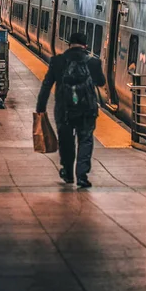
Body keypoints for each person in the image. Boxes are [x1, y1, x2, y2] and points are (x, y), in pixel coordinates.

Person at [36, 32, 106, 188]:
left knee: (66, 141)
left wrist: (40, 108)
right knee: (86, 140)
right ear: (85, 46)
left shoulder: (57, 61)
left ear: (69, 44)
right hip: (87, 109)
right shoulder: (93, 63)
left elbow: (46, 86)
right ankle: (82, 175)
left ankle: (67, 172)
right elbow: (101, 82)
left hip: (64, 109)